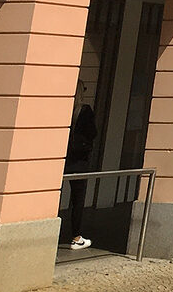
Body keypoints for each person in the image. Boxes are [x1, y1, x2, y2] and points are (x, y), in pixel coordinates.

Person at [64, 103, 97, 251]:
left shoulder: (67, 109)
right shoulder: (85, 110)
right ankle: (76, 237)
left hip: (64, 158)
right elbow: (92, 132)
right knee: (78, 199)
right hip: (79, 161)